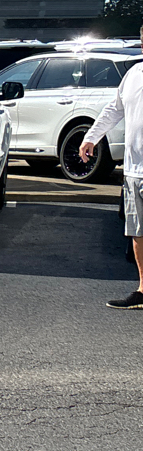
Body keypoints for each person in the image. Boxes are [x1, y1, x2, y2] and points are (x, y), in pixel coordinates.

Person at [80, 27, 143, 308]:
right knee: (137, 230)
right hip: (134, 169)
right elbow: (114, 109)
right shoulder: (134, 75)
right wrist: (91, 136)